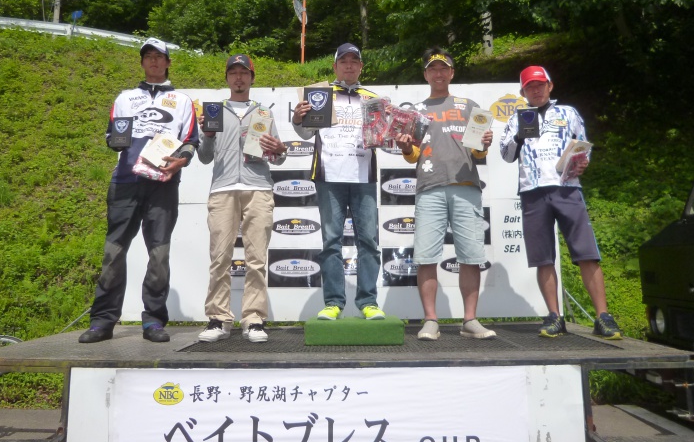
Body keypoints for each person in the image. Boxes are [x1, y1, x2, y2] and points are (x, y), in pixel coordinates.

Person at [79, 38, 199, 344]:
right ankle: (103, 321)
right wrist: (116, 141)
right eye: (148, 57)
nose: (154, 62)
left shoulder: (183, 101)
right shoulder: (125, 98)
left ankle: (154, 321)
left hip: (163, 183)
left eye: (160, 57)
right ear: (142, 63)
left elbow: (189, 142)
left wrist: (179, 162)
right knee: (113, 253)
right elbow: (112, 136)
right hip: (125, 182)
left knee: (159, 254)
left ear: (168, 62)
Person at [499, 65, 622, 339]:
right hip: (532, 191)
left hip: (567, 189)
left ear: (550, 86)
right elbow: (506, 155)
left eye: (540, 84)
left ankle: (604, 317)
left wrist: (583, 163)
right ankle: (555, 316)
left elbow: (583, 146)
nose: (536, 89)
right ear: (523, 92)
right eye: (530, 86)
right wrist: (519, 135)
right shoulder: (515, 118)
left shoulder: (569, 112)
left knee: (586, 252)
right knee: (543, 258)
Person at [395, 48, 496, 341]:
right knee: (426, 256)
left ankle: (470, 320)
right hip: (429, 186)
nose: (438, 74)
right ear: (426, 74)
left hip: (466, 186)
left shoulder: (469, 106)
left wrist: (485, 142)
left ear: (451, 73)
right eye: (432, 69)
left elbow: (478, 151)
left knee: (471, 255)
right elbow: (412, 155)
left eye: (443, 69)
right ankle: (430, 320)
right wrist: (404, 147)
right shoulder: (416, 111)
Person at [197, 54, 288, 344]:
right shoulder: (213, 111)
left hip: (258, 187)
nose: (238, 78)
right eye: (233, 72)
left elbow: (279, 156)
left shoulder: (263, 113)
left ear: (252, 77)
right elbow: (204, 156)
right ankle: (219, 318)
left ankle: (254, 319)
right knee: (220, 257)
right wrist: (208, 135)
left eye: (244, 73)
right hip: (222, 188)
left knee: (256, 259)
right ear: (226, 78)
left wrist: (280, 148)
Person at [291, 43, 386, 321]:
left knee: (368, 241)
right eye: (343, 61)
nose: (348, 65)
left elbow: (384, 137)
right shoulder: (320, 94)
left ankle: (368, 301)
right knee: (331, 241)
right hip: (328, 176)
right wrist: (298, 119)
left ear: (360, 67)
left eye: (354, 61)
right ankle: (333, 302)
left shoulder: (373, 98)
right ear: (334, 66)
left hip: (363, 176)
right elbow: (306, 133)